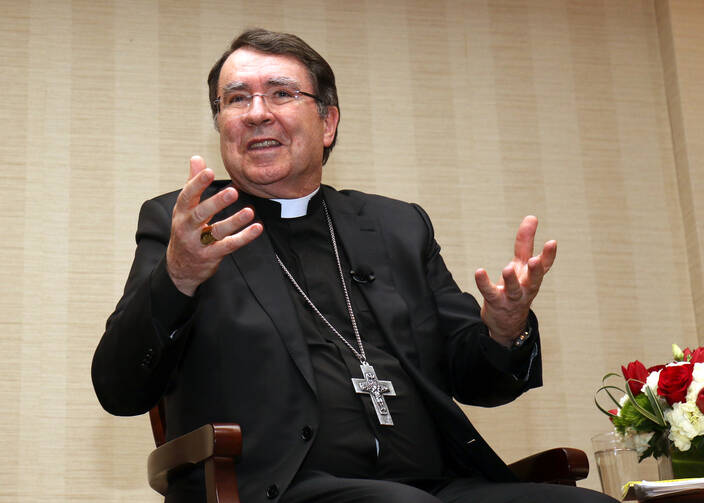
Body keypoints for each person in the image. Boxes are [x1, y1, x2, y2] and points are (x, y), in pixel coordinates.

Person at [92, 28, 615, 503]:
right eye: (236, 99)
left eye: (281, 93)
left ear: (328, 121)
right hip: (278, 488)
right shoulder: (183, 226)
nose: (256, 113)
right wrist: (178, 276)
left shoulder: (396, 226)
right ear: (222, 124)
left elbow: (476, 380)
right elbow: (119, 390)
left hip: (439, 484)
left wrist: (505, 330)